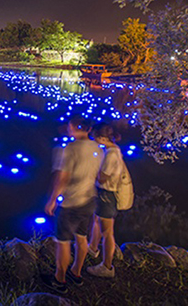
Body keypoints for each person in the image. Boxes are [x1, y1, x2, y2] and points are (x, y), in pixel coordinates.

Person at [42, 115, 104, 290]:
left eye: (69, 126)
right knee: (82, 238)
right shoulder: (97, 148)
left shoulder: (70, 148)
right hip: (89, 200)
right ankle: (76, 272)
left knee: (63, 242)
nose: (67, 128)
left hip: (71, 202)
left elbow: (62, 177)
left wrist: (52, 200)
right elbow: (98, 174)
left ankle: (59, 279)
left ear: (73, 127)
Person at [86, 122, 123, 278]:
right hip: (106, 195)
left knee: (107, 232)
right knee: (96, 220)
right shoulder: (112, 150)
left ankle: (107, 267)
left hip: (107, 195)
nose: (94, 141)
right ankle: (93, 248)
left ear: (102, 138)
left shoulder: (111, 154)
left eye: (95, 138)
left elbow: (102, 178)